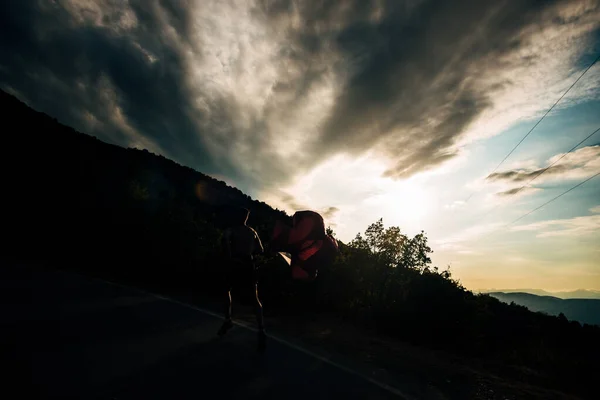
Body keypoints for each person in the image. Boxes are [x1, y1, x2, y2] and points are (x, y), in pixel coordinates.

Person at [217, 207, 266, 351]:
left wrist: (229, 257)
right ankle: (261, 329)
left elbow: (225, 244)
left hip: (235, 264)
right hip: (248, 264)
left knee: (226, 290)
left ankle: (228, 320)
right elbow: (261, 250)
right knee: (254, 297)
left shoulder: (231, 230)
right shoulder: (252, 232)